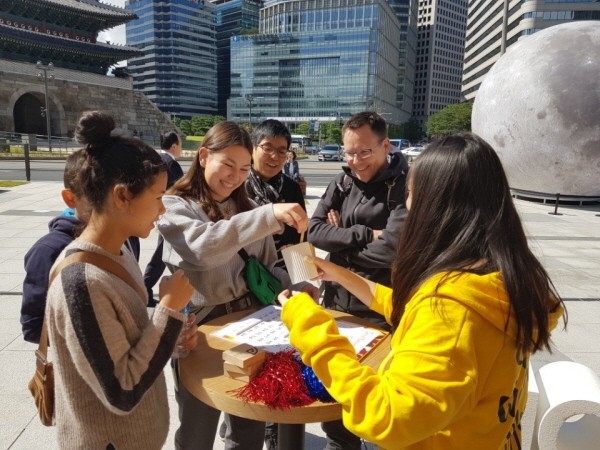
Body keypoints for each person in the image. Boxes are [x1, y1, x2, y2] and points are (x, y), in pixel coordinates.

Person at [279, 133, 566, 450]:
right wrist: (340, 274)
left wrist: (307, 321)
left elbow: (385, 416)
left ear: (440, 207)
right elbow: (411, 309)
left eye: (412, 194)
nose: (406, 205)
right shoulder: (494, 280)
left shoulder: (451, 310)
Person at [157, 121, 318, 450]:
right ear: (203, 156)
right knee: (196, 431)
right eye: (227, 164)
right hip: (199, 332)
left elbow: (268, 267)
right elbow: (203, 248)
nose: (235, 176)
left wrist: (298, 284)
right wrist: (268, 215)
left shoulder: (247, 208)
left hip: (252, 327)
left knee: (248, 429)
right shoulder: (175, 205)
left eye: (244, 168)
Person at [45, 111, 195, 449]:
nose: (162, 210)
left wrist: (171, 337)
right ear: (122, 196)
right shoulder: (81, 282)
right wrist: (169, 308)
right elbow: (122, 390)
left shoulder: (118, 251)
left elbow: (127, 342)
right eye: (157, 198)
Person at [20, 150, 140, 343]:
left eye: (119, 196)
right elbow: (34, 325)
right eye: (95, 198)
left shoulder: (126, 239)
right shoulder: (48, 251)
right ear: (70, 198)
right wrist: (103, 339)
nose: (109, 206)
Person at [246, 119, 306, 267]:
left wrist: (301, 280)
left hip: (283, 273)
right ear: (252, 149)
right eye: (267, 148)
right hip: (244, 274)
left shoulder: (291, 187)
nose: (275, 157)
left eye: (281, 151)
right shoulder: (237, 185)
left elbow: (301, 235)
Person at [143, 130, 185, 304]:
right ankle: (145, 288)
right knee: (162, 253)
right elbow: (182, 190)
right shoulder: (171, 164)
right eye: (180, 145)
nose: (181, 149)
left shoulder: (157, 160)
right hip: (168, 214)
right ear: (174, 146)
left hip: (160, 212)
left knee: (164, 252)